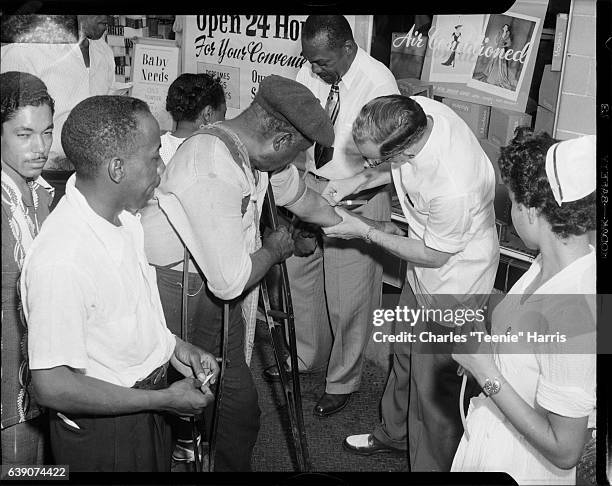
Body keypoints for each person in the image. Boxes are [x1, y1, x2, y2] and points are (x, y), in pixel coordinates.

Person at [140, 74, 377, 471]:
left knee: (234, 407)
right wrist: (273, 249)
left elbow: (302, 198)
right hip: (179, 291)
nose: (287, 166)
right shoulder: (211, 166)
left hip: (213, 291)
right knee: (187, 398)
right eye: (292, 156)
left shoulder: (249, 148)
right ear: (281, 142)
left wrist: (364, 230)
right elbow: (230, 280)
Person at [20, 95, 220, 472]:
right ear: (117, 168)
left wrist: (175, 347)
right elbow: (52, 386)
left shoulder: (124, 220)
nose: (160, 169)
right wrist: (161, 401)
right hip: (106, 434)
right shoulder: (63, 258)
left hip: (146, 408)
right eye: (153, 157)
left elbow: (121, 321)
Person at [323, 94, 499, 471]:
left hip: (455, 281)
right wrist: (356, 182)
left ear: (403, 150)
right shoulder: (414, 112)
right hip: (422, 271)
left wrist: (364, 231)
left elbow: (434, 255)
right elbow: (395, 168)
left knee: (433, 389)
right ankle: (394, 434)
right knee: (404, 356)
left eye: (373, 156)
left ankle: (431, 466)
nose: (368, 162)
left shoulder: (454, 185)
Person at [264, 15, 400, 419]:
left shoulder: (379, 83)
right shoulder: (310, 70)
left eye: (322, 61)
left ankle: (342, 380)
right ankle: (306, 357)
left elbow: (387, 161)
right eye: (310, 61)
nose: (315, 69)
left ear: (346, 47)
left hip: (357, 194)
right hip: (309, 187)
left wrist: (342, 191)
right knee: (299, 276)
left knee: (348, 298)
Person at [451, 132, 596, 485]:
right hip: (494, 436)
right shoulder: (545, 263)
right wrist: (489, 354)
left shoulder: (574, 309)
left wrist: (485, 370)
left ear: (530, 210)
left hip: (524, 467)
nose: (511, 211)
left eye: (512, 202)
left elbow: (565, 450)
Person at [1, 71, 55, 465]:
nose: (40, 147)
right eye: (24, 134)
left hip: (33, 370)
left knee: (37, 467)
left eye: (47, 132)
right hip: (7, 382)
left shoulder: (38, 193)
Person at [1, 15, 116, 169]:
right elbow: (10, 129)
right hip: (43, 175)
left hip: (92, 173)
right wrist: (52, 162)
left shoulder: (104, 52)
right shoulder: (23, 50)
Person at [160, 73, 227, 165]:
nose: (224, 121)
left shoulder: (157, 146)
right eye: (223, 114)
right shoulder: (216, 154)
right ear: (208, 113)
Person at [484, 23, 514, 90]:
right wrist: (499, 43)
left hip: (502, 49)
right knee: (493, 60)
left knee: (500, 62)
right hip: (497, 48)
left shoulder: (507, 35)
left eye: (507, 28)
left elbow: (509, 43)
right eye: (505, 27)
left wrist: (504, 45)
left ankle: (497, 76)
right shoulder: (500, 33)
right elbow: (497, 40)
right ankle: (489, 73)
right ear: (503, 28)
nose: (506, 29)